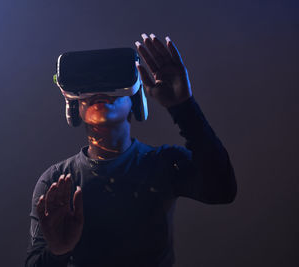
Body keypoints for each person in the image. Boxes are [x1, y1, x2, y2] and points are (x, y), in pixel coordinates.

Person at [25, 33, 237, 267]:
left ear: (135, 100)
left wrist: (184, 107)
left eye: (111, 80)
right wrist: (58, 251)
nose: (100, 91)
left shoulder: (164, 163)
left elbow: (222, 190)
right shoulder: (57, 181)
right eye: (90, 86)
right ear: (75, 104)